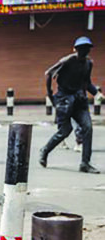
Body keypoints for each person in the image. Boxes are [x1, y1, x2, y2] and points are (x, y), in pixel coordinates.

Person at [40, 36, 100, 174]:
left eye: (87, 49)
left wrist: (97, 93)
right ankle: (45, 150)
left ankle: (85, 163)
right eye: (81, 49)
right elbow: (48, 73)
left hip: (79, 101)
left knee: (87, 128)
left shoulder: (88, 64)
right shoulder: (67, 61)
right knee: (64, 131)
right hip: (64, 99)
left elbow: (87, 82)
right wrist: (51, 95)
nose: (84, 51)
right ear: (76, 49)